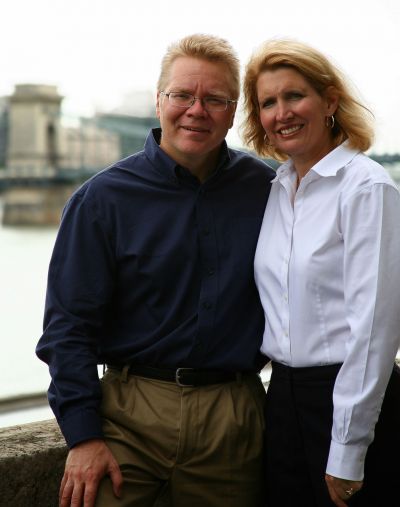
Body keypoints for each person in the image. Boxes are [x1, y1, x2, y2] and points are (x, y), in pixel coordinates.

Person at [36, 33, 275, 507]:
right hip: (126, 417)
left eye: (215, 99)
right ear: (159, 100)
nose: (196, 110)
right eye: (182, 95)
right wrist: (83, 436)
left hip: (233, 416)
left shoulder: (270, 191)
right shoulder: (101, 200)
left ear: (233, 111)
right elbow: (68, 329)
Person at [242, 39, 400, 507]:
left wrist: (349, 446)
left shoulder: (366, 187)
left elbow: (374, 330)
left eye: (295, 96)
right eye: (268, 102)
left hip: (349, 401)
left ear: (330, 102)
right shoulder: (276, 188)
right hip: (282, 400)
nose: (282, 113)